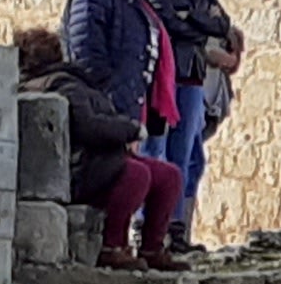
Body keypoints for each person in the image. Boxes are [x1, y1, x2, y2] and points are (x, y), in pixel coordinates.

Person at [15, 24, 184, 269]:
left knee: (168, 176)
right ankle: (112, 246)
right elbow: (89, 127)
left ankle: (152, 248)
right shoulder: (60, 85)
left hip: (98, 158)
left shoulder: (68, 82)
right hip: (81, 166)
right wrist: (131, 130)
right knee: (136, 175)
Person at [144, 0, 244, 250]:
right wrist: (201, 25)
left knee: (185, 154)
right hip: (164, 74)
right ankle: (147, 226)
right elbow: (166, 21)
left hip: (192, 75)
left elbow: (223, 24)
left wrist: (190, 17)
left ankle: (176, 228)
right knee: (156, 150)